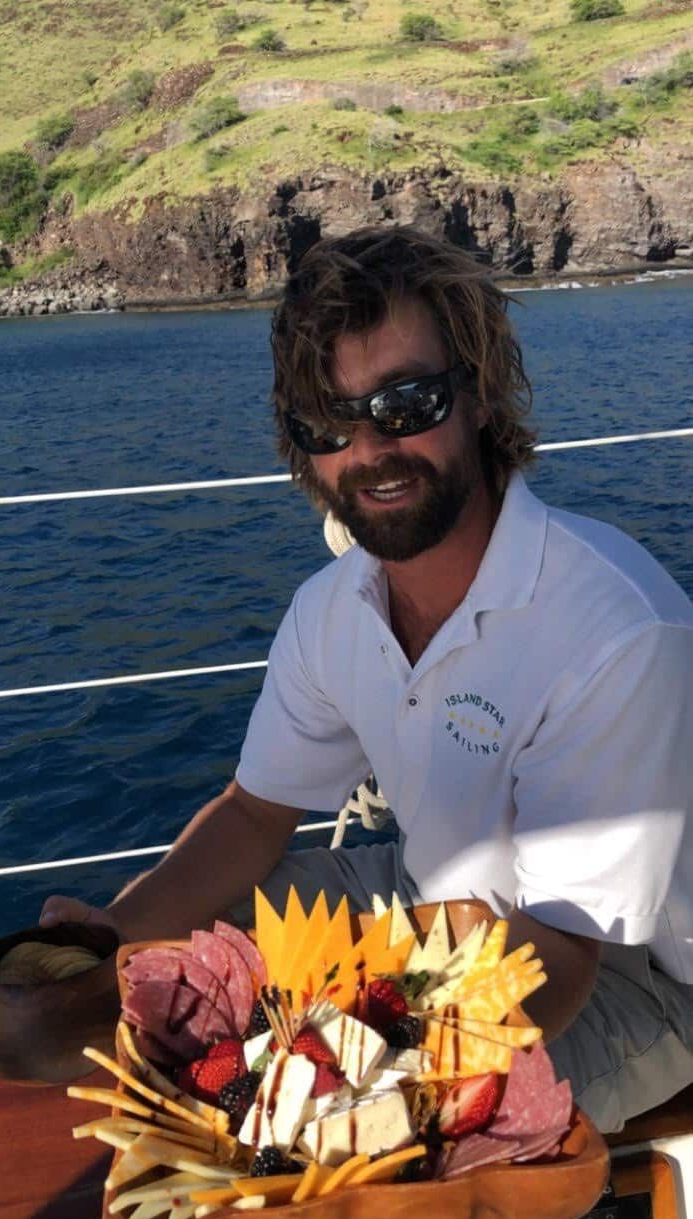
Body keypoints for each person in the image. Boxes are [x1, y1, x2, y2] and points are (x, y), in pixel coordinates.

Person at [40, 224, 692, 1140]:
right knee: (194, 951)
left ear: (479, 396)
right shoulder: (335, 609)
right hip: (433, 903)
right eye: (329, 423)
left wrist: (343, 1064)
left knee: (351, 1131)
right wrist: (111, 937)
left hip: (633, 980)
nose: (370, 449)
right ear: (301, 447)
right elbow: (253, 814)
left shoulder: (611, 630)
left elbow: (560, 960)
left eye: (407, 403)